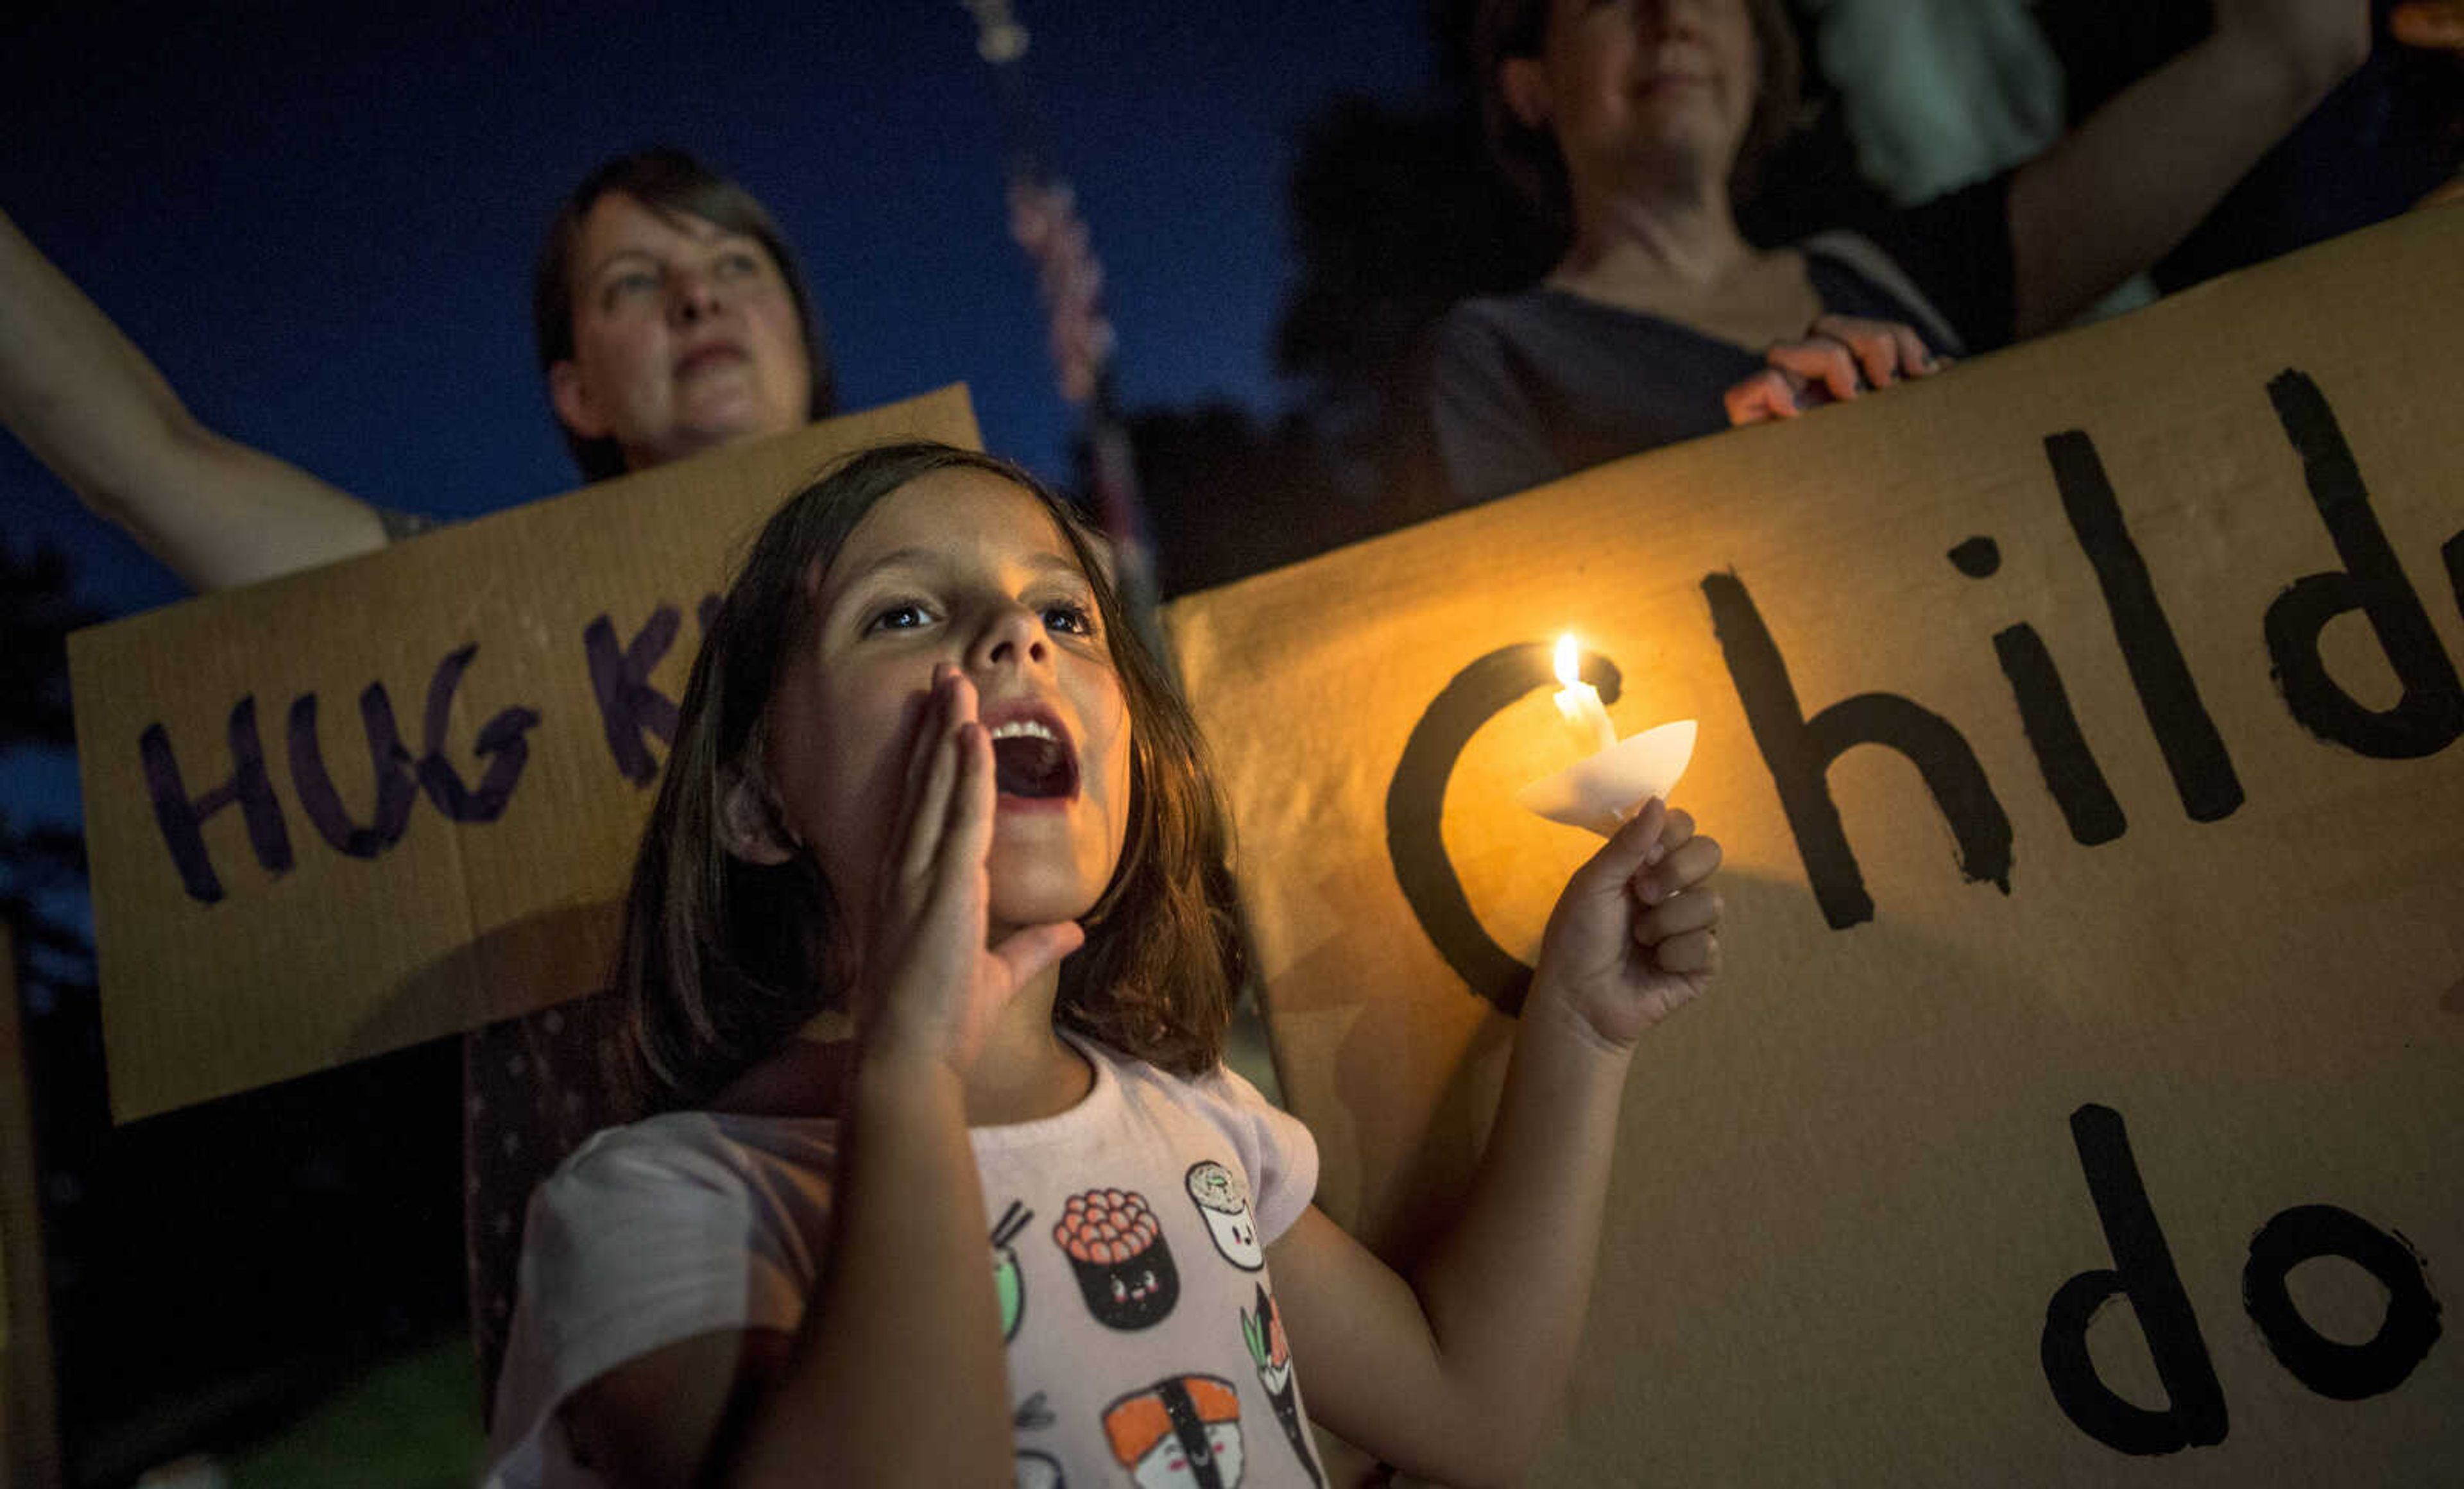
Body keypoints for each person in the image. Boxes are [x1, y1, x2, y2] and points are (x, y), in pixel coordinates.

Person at [480, 441, 1727, 1486]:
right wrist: (914, 1072)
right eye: (904, 613)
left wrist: (1580, 1027)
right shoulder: (658, 1213)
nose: (1017, 633)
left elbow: (1478, 1412)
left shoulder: (1195, 1126)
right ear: (756, 799)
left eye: (1067, 614)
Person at [1422, 0, 2375, 510]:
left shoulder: (1917, 274)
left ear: (1759, 60)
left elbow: (2301, 44)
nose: (1670, 14)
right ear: (1531, 86)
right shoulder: (1499, 356)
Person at [0, 148, 832, 590]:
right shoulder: (487, 612)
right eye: (636, 282)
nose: (697, 299)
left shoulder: (962, 530)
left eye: (735, 265)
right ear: (579, 394)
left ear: (798, 326)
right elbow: (147, 461)